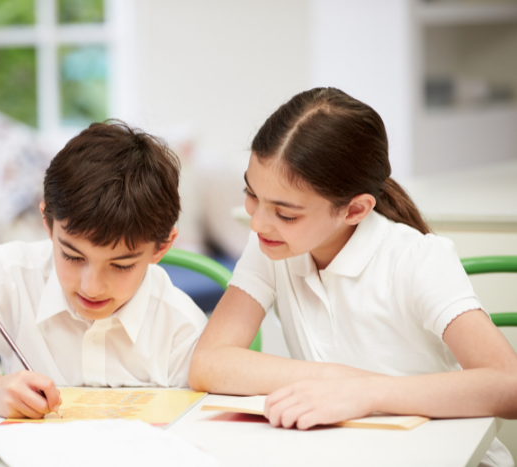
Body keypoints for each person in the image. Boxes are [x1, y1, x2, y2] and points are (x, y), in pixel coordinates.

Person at [188, 88, 516, 466]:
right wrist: (339, 380)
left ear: (355, 210)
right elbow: (210, 363)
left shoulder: (416, 259)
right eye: (251, 194)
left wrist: (369, 393)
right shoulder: (272, 245)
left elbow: (508, 385)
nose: (259, 221)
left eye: (287, 213)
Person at [0, 121, 208, 419]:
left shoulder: (181, 328)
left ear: (161, 248)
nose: (91, 286)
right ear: (47, 222)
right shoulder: (10, 275)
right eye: (73, 256)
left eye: (121, 265)